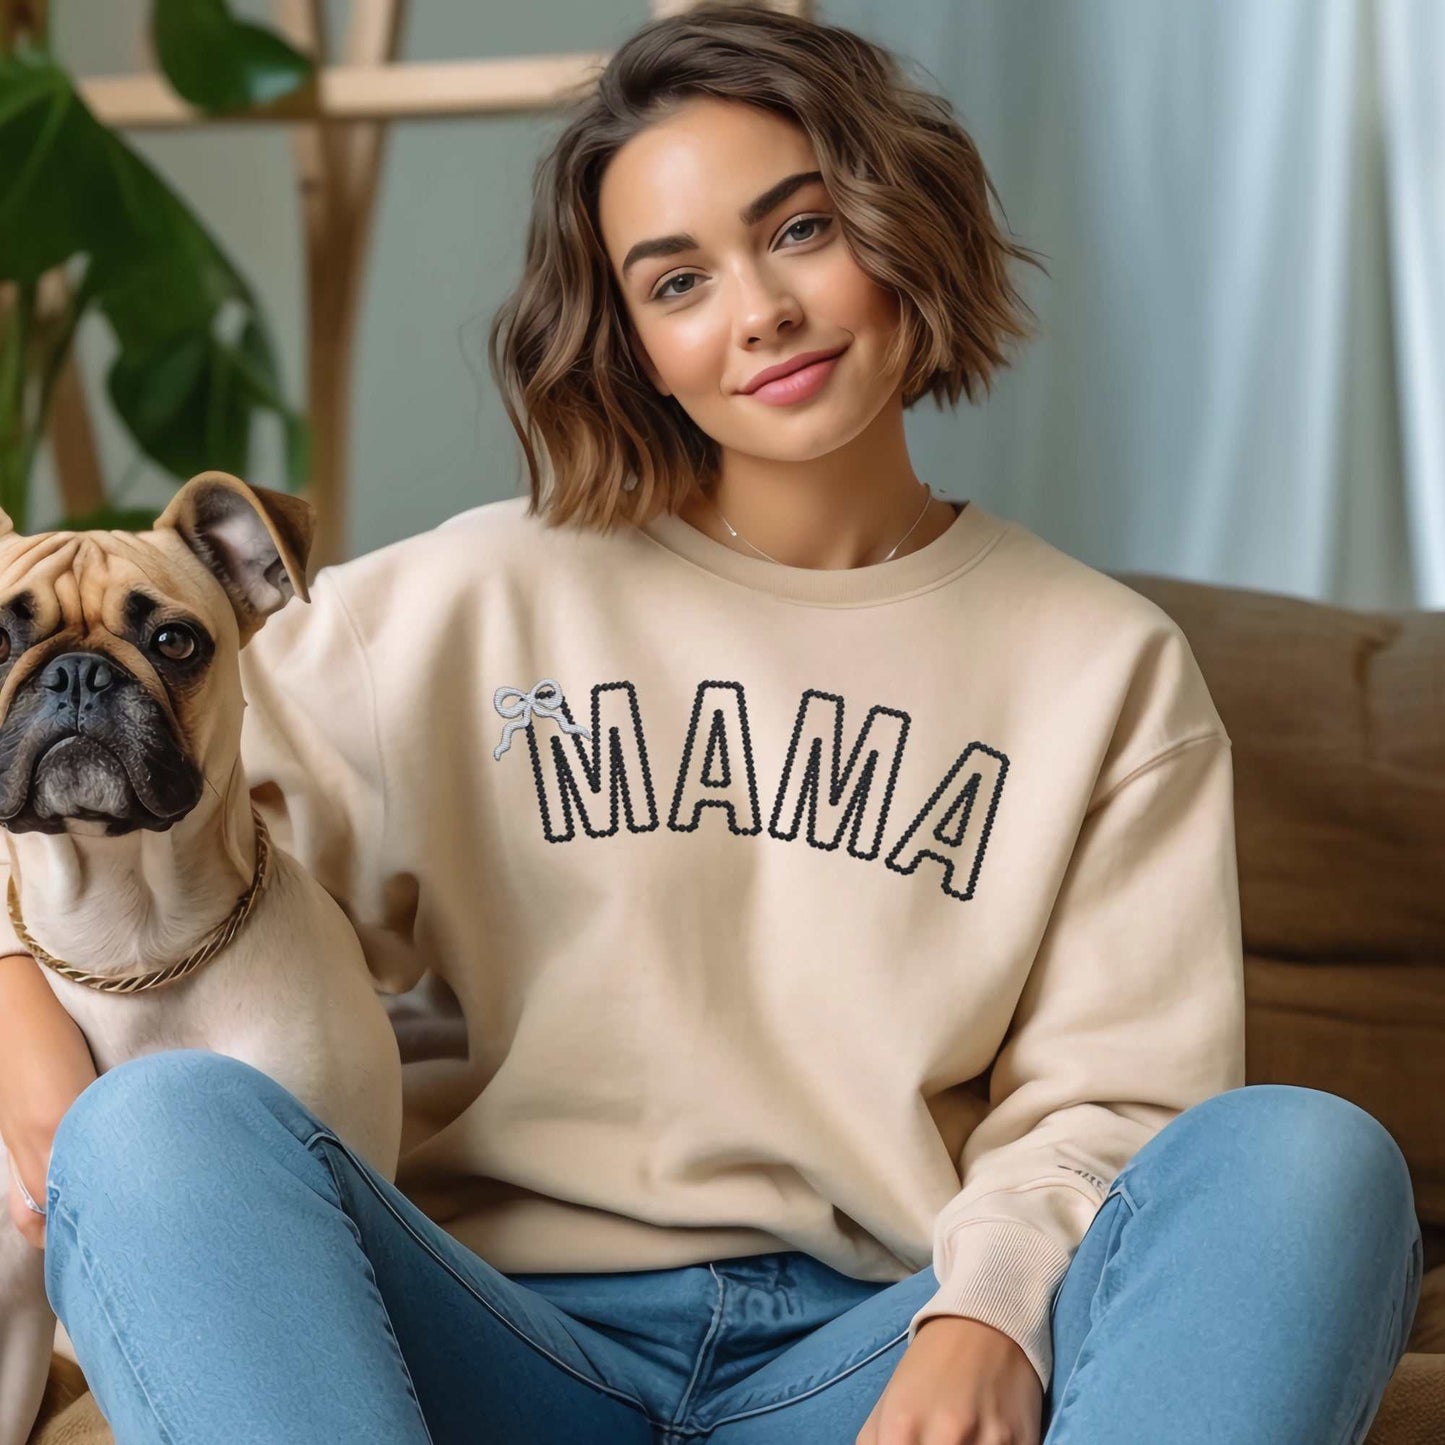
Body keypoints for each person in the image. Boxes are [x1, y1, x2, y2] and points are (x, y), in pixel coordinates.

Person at [0, 4, 1423, 1442]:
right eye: (677, 279)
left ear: (901, 222)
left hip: (871, 1354)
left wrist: (988, 1312)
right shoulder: (453, 607)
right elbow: (73, 786)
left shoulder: (1104, 670)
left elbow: (1117, 1101)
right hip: (478, 1338)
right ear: (629, 339)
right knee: (155, 1127)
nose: (760, 311)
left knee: (1309, 1158)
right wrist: (23, 1033)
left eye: (801, 229)